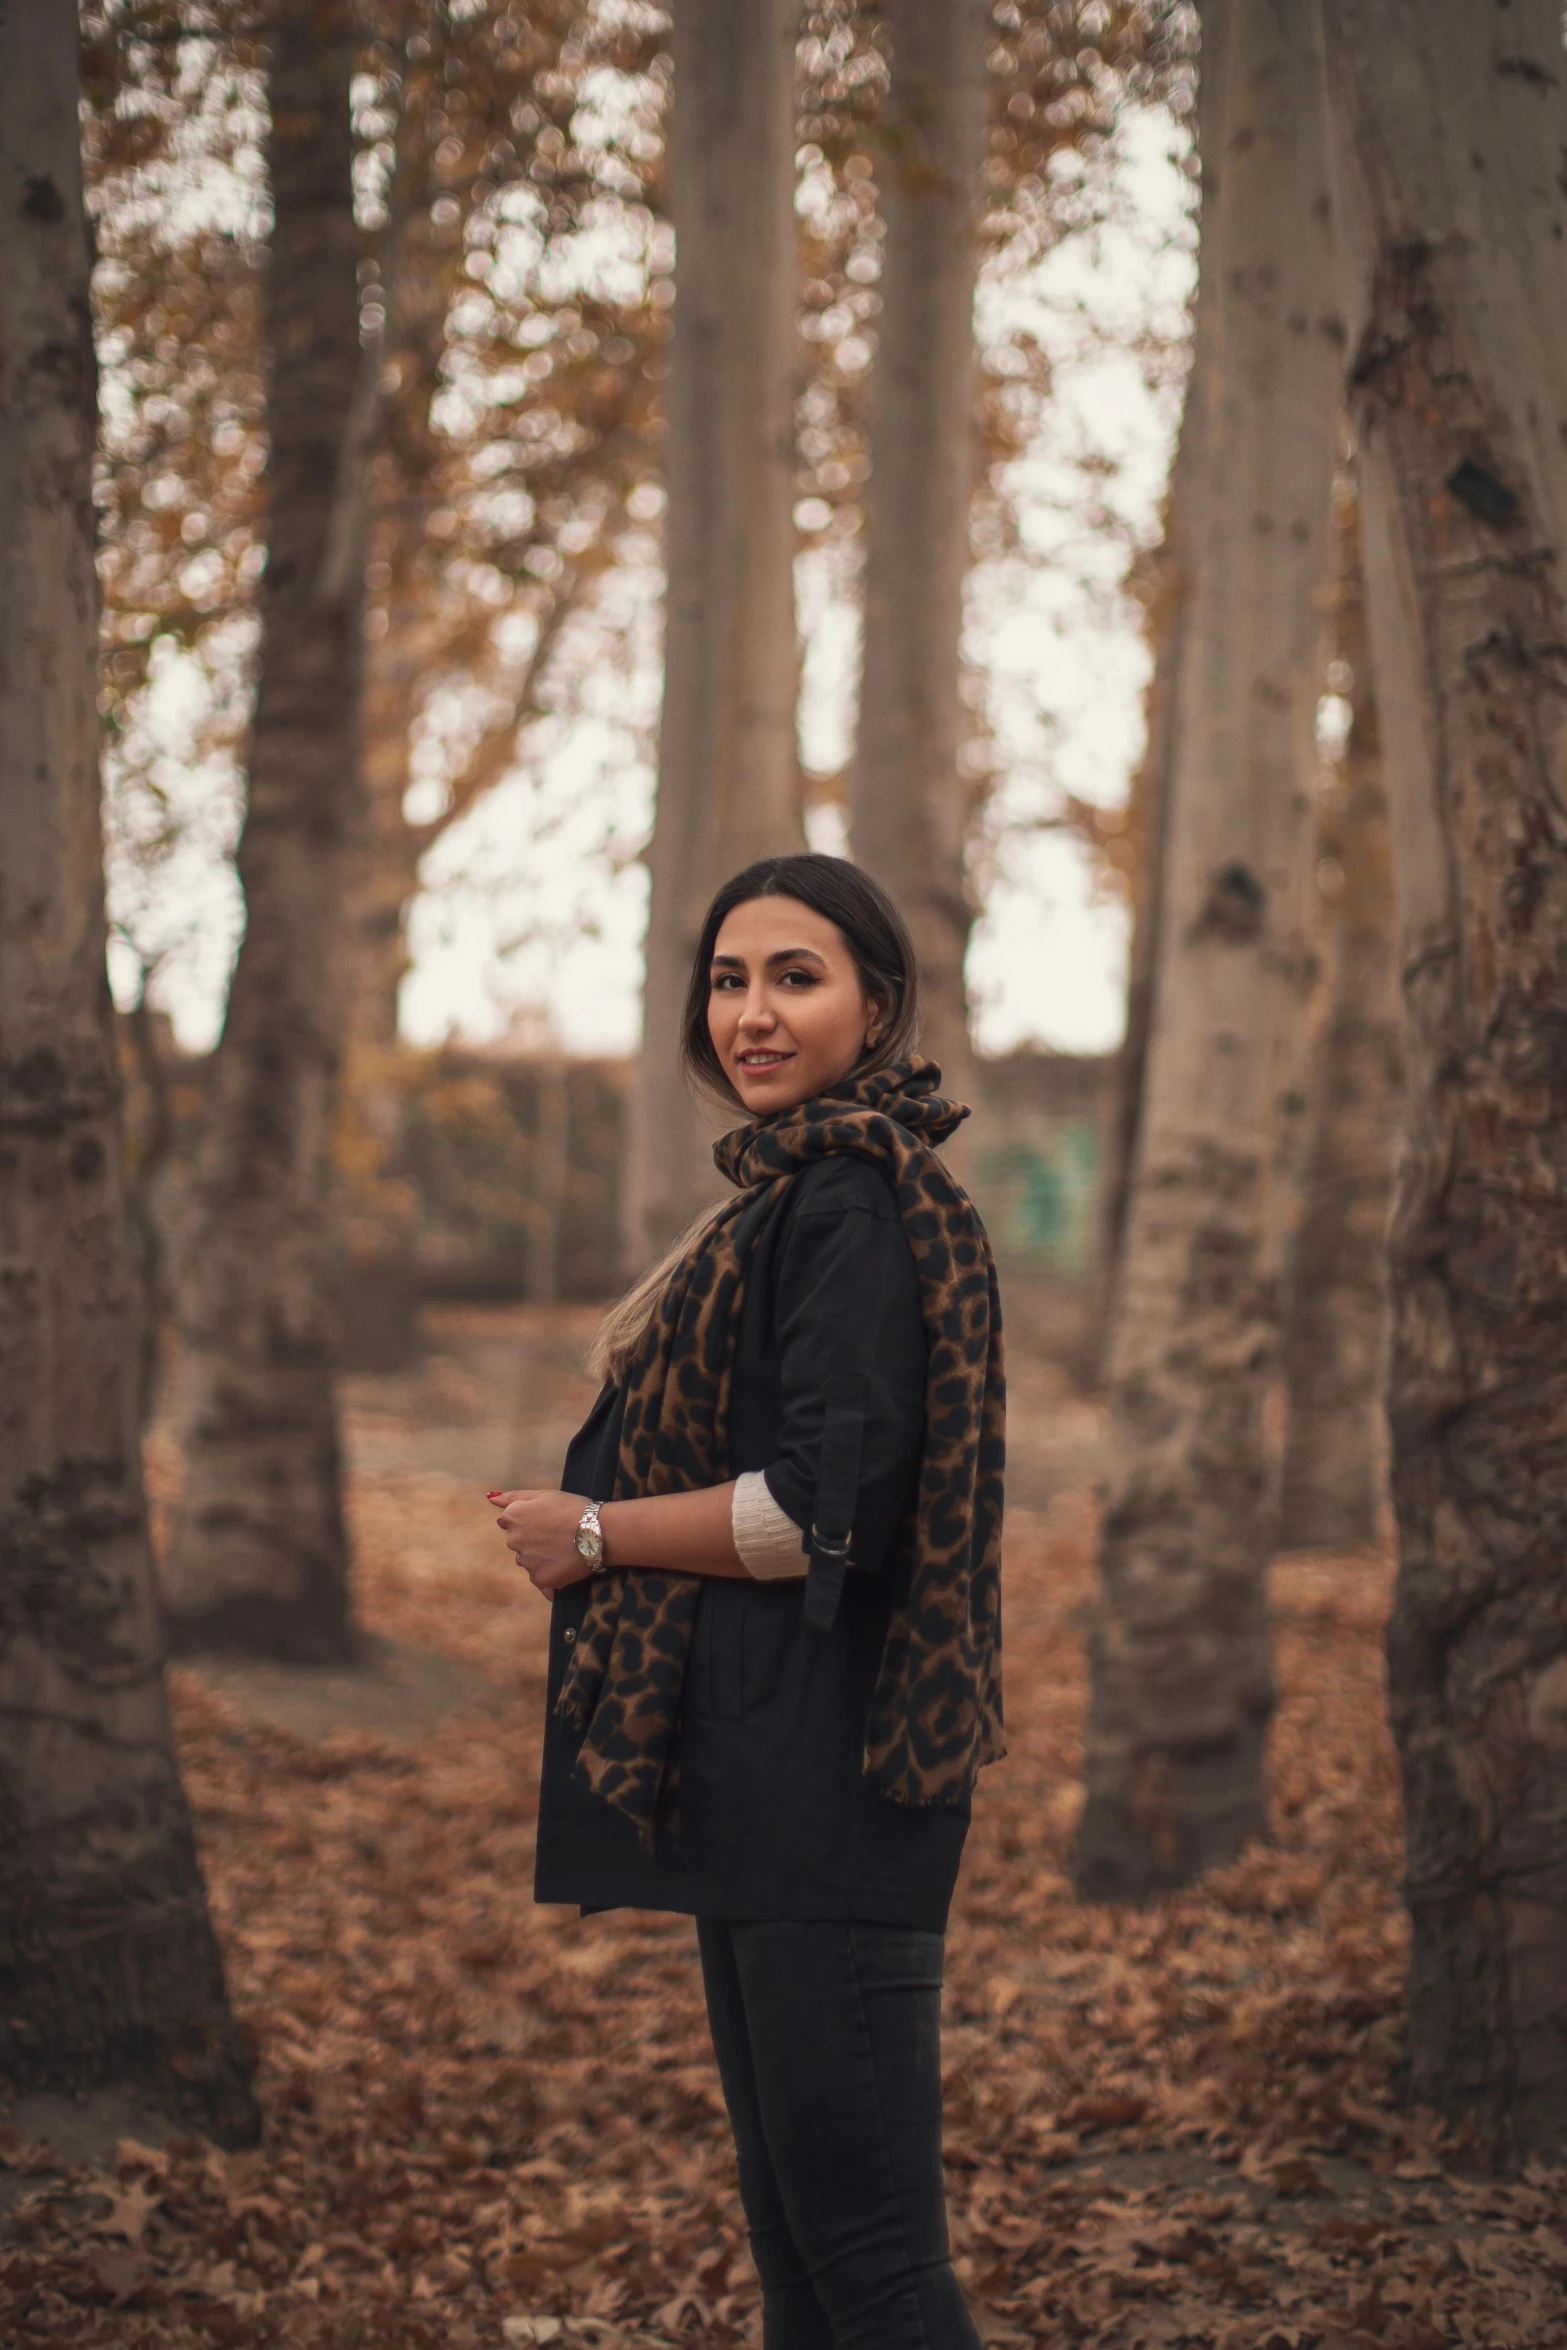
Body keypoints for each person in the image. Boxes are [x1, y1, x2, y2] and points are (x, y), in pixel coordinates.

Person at [490, 853, 1005, 2350]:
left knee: (873, 2266)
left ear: (878, 1004)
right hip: (764, 1783)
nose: (752, 1013)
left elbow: (813, 1514)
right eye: (729, 978)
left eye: (796, 976)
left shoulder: (848, 1206)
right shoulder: (790, 1198)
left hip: (830, 1793)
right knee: (801, 2261)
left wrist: (592, 1529)